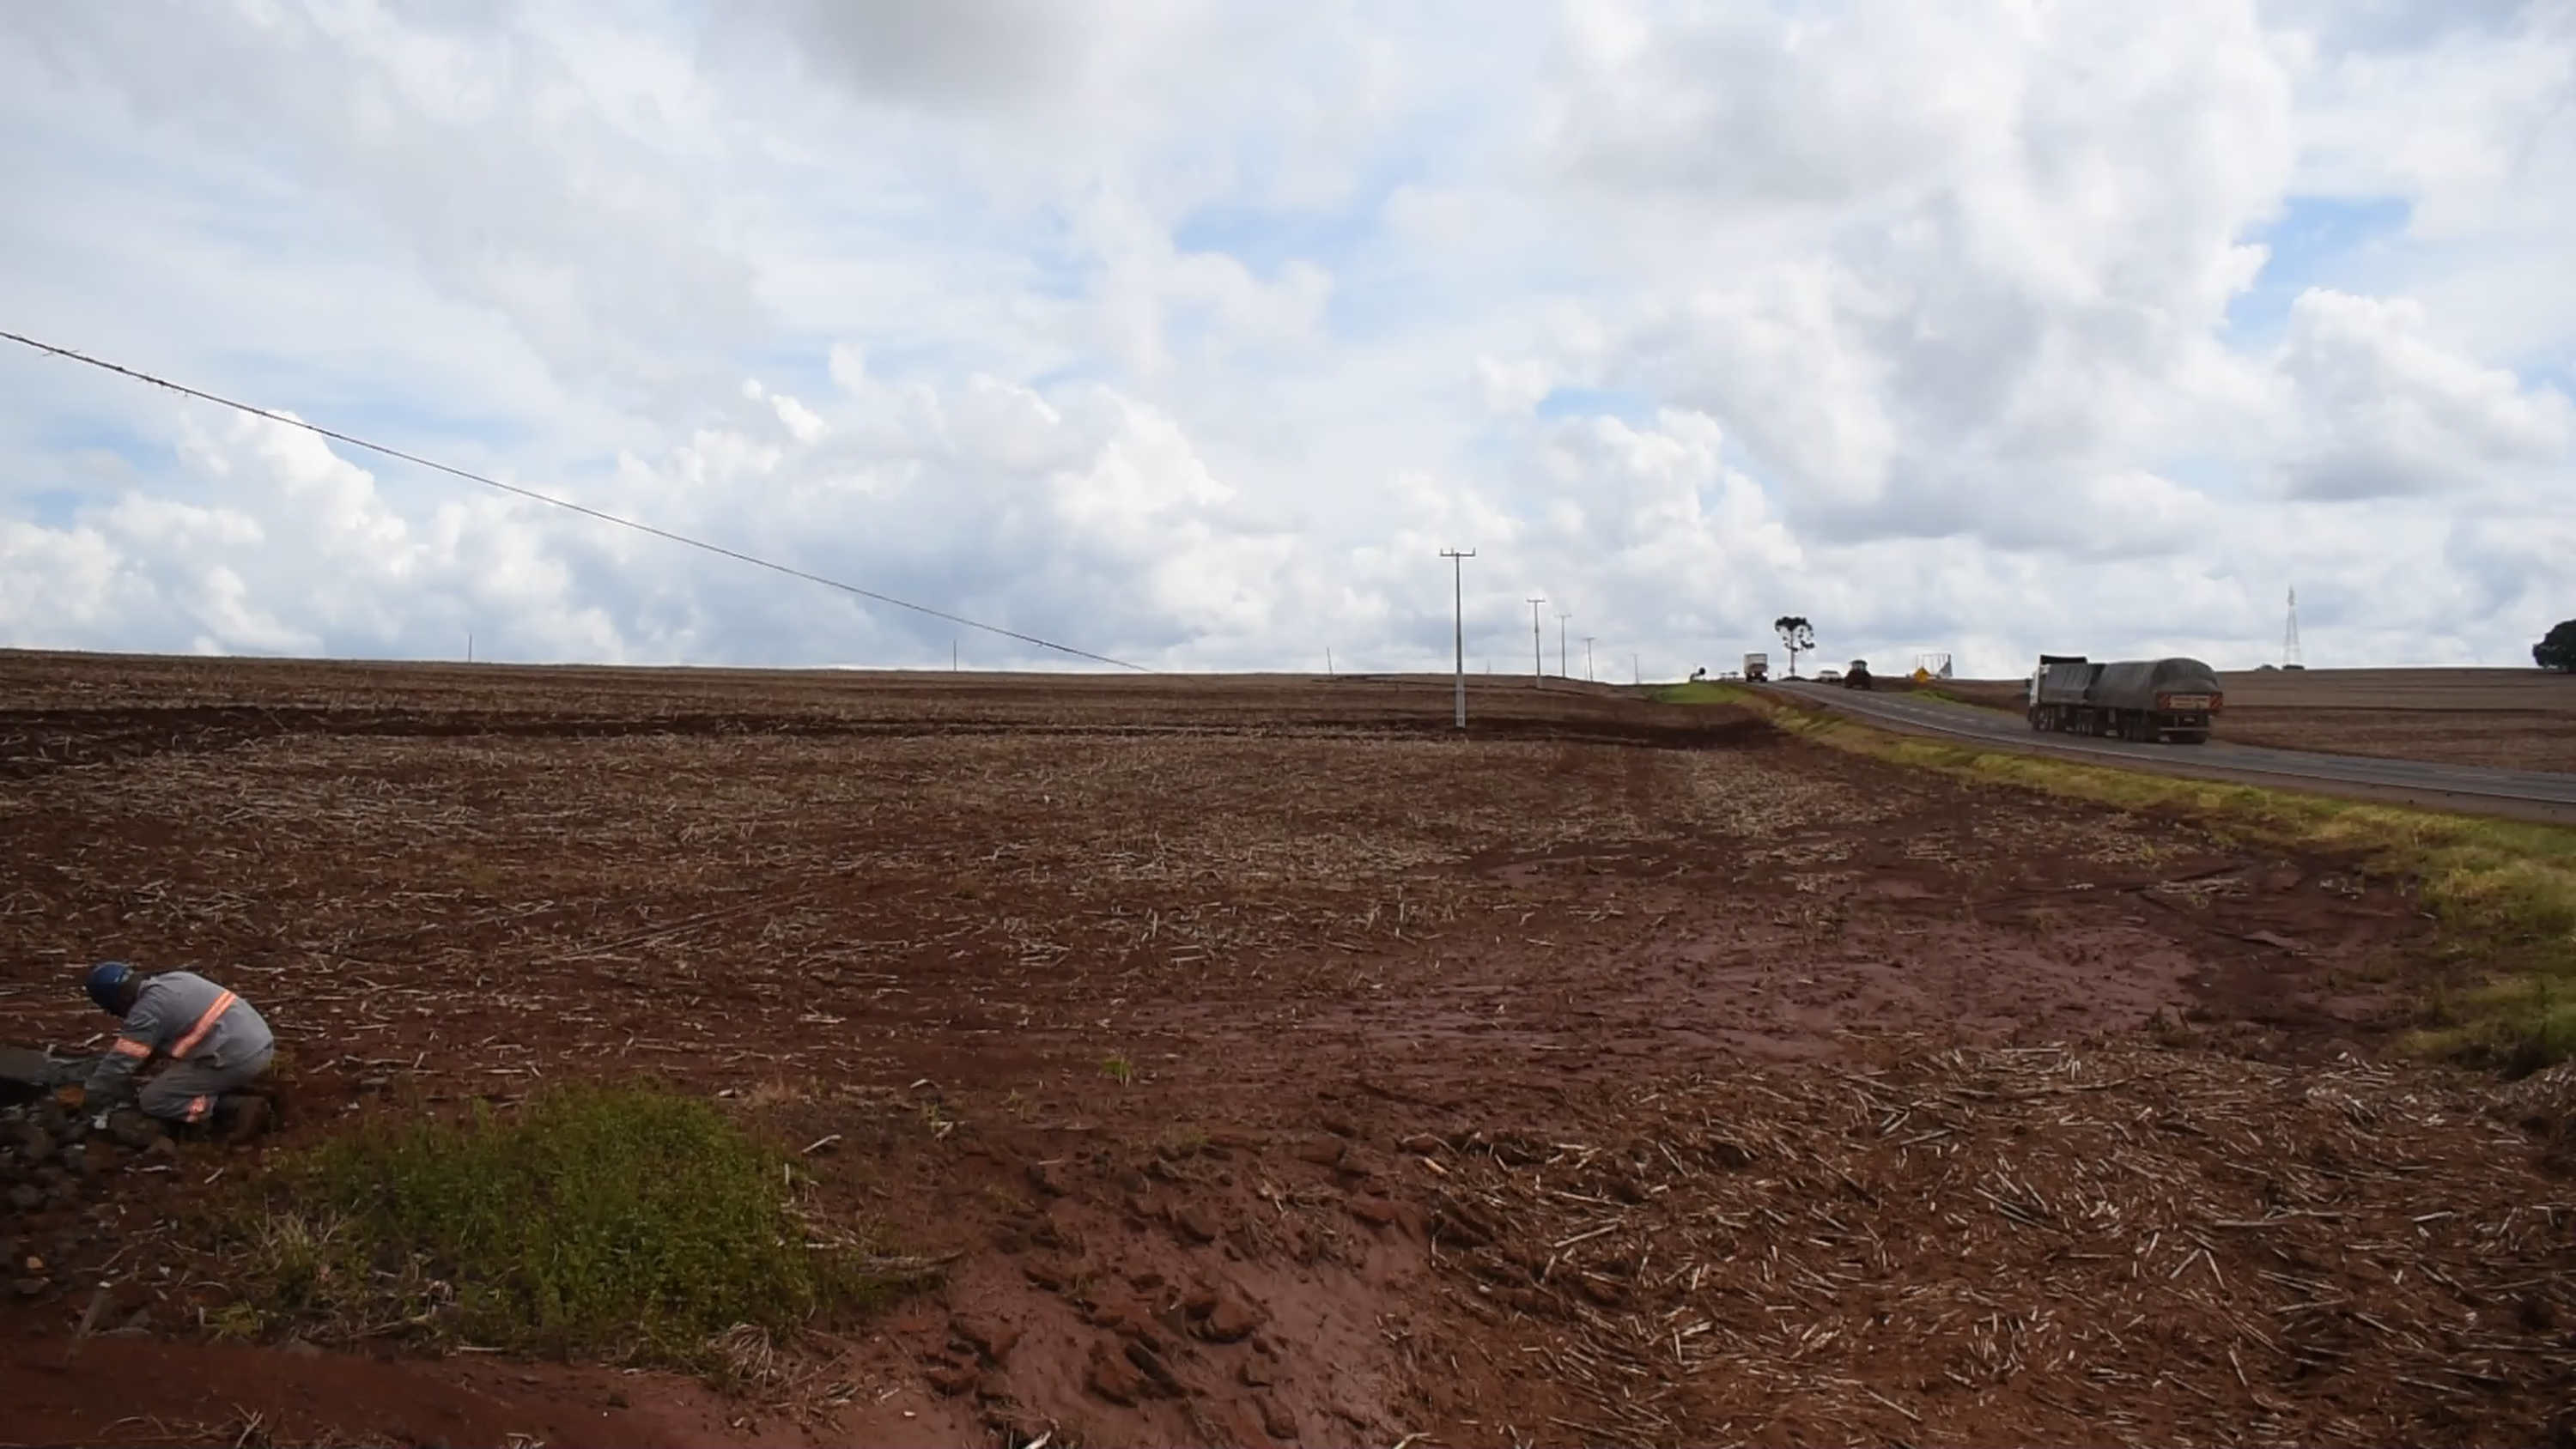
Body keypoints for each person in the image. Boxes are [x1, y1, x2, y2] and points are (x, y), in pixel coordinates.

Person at [58, 961, 276, 1141]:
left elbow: (121, 1062)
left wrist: (91, 1095)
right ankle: (229, 1089)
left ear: (118, 1000)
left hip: (238, 1059)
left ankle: (230, 1109)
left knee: (155, 1099)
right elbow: (149, 1049)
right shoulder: (176, 979)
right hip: (259, 1044)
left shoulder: (147, 1011)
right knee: (170, 1079)